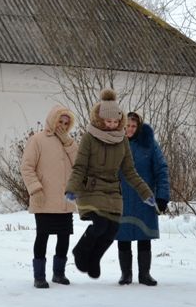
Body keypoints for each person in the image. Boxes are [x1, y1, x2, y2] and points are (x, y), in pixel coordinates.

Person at [66, 89, 155, 280]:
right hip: (91, 186)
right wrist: (72, 188)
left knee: (113, 228)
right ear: (100, 119)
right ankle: (80, 252)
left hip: (112, 189)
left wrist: (145, 192)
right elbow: (80, 166)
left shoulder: (122, 139)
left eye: (115, 122)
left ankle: (95, 258)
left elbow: (130, 171)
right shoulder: (89, 137)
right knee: (100, 224)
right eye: (108, 122)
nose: (112, 125)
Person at [20, 105, 78, 288]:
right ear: (52, 120)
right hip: (44, 197)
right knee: (42, 236)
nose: (62, 125)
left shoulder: (70, 142)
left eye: (66, 123)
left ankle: (59, 274)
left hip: (64, 199)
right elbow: (26, 167)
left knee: (64, 237)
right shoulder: (37, 140)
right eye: (59, 121)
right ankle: (39, 276)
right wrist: (35, 189)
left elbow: (78, 166)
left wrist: (68, 143)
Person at [116, 111, 170, 286]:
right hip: (120, 197)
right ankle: (126, 274)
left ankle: (144, 274)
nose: (130, 129)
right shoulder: (114, 144)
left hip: (145, 198)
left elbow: (161, 170)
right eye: (127, 126)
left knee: (144, 235)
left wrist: (162, 196)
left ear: (138, 127)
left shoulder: (150, 145)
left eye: (133, 126)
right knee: (123, 236)